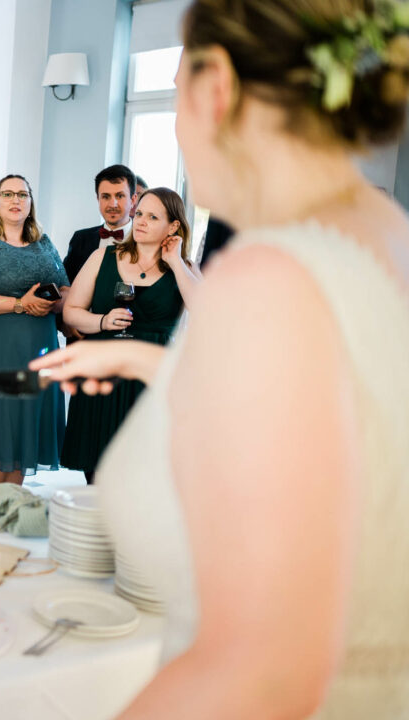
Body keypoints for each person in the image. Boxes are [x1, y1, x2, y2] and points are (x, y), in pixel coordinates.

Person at [30, 1, 409, 716]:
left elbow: (264, 670)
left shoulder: (268, 276)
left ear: (217, 89)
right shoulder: (384, 235)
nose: (177, 117)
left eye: (174, 89)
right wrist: (150, 367)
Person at [59, 187, 200, 483]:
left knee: (145, 474)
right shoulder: (103, 257)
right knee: (97, 471)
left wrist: (174, 260)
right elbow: (71, 311)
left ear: (173, 226)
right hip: (103, 373)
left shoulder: (184, 268)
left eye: (152, 216)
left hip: (151, 379)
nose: (141, 221)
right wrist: (102, 321)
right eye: (139, 214)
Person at [0, 175, 69, 488]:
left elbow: (66, 290)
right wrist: (21, 303)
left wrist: (51, 303)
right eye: (7, 194)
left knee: (22, 443)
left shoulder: (44, 243)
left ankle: (6, 517)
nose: (15, 200)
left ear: (31, 202)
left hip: (40, 349)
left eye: (22, 194)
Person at [62, 164, 138, 283]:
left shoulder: (144, 240)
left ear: (133, 200)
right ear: (98, 199)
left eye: (120, 196)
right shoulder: (80, 239)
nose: (113, 204)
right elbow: (65, 284)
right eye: (106, 197)